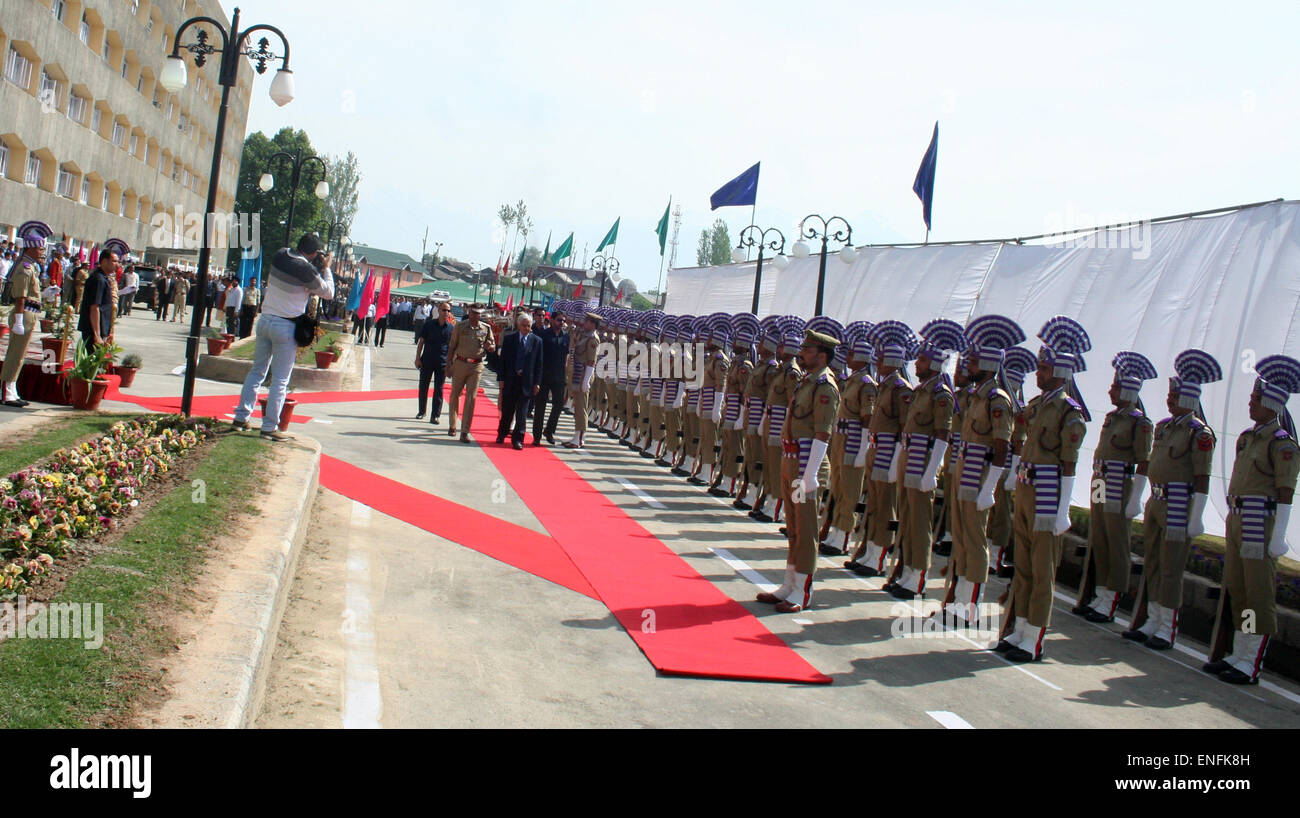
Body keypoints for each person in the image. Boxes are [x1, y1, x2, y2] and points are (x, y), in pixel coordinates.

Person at [996, 316, 1091, 663]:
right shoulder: (1036, 406)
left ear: (1060, 372)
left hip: (1049, 494)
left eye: (1045, 367)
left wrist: (1063, 509)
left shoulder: (1070, 412)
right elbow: (1022, 444)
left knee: (1041, 569)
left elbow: (1069, 463)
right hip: (1026, 488)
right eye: (1039, 366)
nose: (1039, 372)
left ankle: (1034, 634)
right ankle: (1019, 627)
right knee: (1022, 564)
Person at [1202, 355, 1299, 685]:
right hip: (1239, 517)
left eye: (1255, 399)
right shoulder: (1248, 437)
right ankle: (1238, 653)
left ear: (1272, 402)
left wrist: (1279, 535)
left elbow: (1286, 491)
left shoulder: (1282, 444)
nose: (1250, 403)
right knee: (1240, 589)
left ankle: (1250, 661)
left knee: (1258, 593)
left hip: (1260, 521)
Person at [1120, 350, 1220, 646]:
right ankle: (1152, 620)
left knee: (1171, 567)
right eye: (1169, 395)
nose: (1169, 400)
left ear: (1189, 398)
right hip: (1157, 500)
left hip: (1178, 504)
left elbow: (1202, 476)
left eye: (1174, 396)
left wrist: (1197, 515)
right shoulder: (1164, 427)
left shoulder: (1199, 434)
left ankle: (1167, 627)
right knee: (1152, 562)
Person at [944, 315, 1025, 622]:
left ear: (989, 364)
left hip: (979, 476)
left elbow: (1002, 446)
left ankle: (969, 605)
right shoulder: (980, 396)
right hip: (965, 470)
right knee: (963, 536)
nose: (969, 366)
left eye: (975, 361)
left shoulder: (998, 399)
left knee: (976, 539)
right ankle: (959, 597)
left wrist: (990, 487)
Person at [756, 328, 841, 614]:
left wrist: (810, 474)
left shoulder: (825, 386)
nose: (802, 352)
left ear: (822, 355)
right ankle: (788, 583)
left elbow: (822, 433)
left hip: (806, 464)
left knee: (806, 530)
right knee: (792, 527)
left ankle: (801, 590)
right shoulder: (808, 381)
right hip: (792, 460)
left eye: (808, 349)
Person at [230, 234, 334, 442]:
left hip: (266, 319)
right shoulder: (307, 270)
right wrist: (326, 268)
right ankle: (269, 426)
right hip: (286, 326)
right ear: (314, 253)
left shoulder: (280, 255)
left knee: (257, 372)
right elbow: (328, 292)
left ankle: (241, 418)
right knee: (280, 380)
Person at [846, 320, 917, 576]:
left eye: (882, 359)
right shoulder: (883, 386)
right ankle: (870, 552)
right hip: (878, 451)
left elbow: (903, 428)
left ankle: (879, 556)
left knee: (886, 506)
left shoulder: (901, 390)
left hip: (888, 454)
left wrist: (895, 462)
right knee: (875, 503)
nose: (877, 362)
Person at [820, 323, 877, 556]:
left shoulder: (866, 385)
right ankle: (835, 530)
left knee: (851, 491)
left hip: (854, 441)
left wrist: (863, 449)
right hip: (842, 439)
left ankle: (843, 535)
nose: (848, 357)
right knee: (839, 487)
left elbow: (867, 418)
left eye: (853, 354)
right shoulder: (853, 380)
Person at [2, 221, 55, 409]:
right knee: (15, 354)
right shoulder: (24, 267)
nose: (42, 251)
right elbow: (21, 296)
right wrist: (17, 320)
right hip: (22, 315)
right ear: (32, 248)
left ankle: (12, 390)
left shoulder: (31, 266)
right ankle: (7, 391)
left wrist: (46, 294)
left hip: (29, 314)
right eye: (40, 248)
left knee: (20, 354)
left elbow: (32, 294)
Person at [445, 303, 496, 443]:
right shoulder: (460, 327)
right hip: (460, 363)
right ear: (469, 312)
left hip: (476, 365)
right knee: (455, 394)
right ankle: (452, 425)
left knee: (471, 398)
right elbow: (452, 347)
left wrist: (490, 347)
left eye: (479, 313)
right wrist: (448, 365)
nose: (476, 315)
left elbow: (492, 346)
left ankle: (465, 431)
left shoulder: (486, 328)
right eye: (474, 312)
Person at [496, 313, 544, 449]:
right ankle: (502, 433)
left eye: (529, 326)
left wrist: (537, 382)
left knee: (522, 413)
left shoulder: (537, 341)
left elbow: (539, 364)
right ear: (518, 325)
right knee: (507, 410)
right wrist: (501, 379)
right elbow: (503, 361)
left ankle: (518, 439)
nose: (526, 328)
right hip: (511, 380)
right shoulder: (510, 339)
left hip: (526, 382)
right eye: (524, 325)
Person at [563, 312, 602, 449]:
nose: (584, 323)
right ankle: (576, 436)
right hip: (578, 375)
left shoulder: (593, 339)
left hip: (583, 376)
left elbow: (592, 362)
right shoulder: (584, 336)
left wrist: (586, 381)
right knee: (578, 407)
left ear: (592, 324)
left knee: (581, 407)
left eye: (587, 321)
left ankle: (579, 438)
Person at [533, 311, 570, 445]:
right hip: (544, 375)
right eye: (559, 320)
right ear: (552, 320)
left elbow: (566, 356)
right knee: (540, 406)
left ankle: (549, 430)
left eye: (563, 321)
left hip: (559, 376)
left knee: (558, 404)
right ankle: (536, 436)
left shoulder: (565, 336)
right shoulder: (543, 335)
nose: (562, 323)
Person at [414, 301, 454, 423]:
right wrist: (418, 358)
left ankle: (435, 415)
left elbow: (452, 347)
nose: (446, 312)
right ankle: (421, 411)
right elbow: (421, 342)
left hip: (442, 363)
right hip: (427, 360)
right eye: (443, 310)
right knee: (423, 387)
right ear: (438, 311)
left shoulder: (451, 328)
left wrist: (450, 364)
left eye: (448, 310)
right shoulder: (429, 324)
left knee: (439, 389)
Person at [79, 245, 119, 356]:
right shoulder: (98, 279)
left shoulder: (103, 278)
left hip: (101, 328)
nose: (117, 264)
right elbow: (94, 307)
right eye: (114, 261)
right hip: (93, 330)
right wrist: (97, 335)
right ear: (105, 261)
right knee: (93, 363)